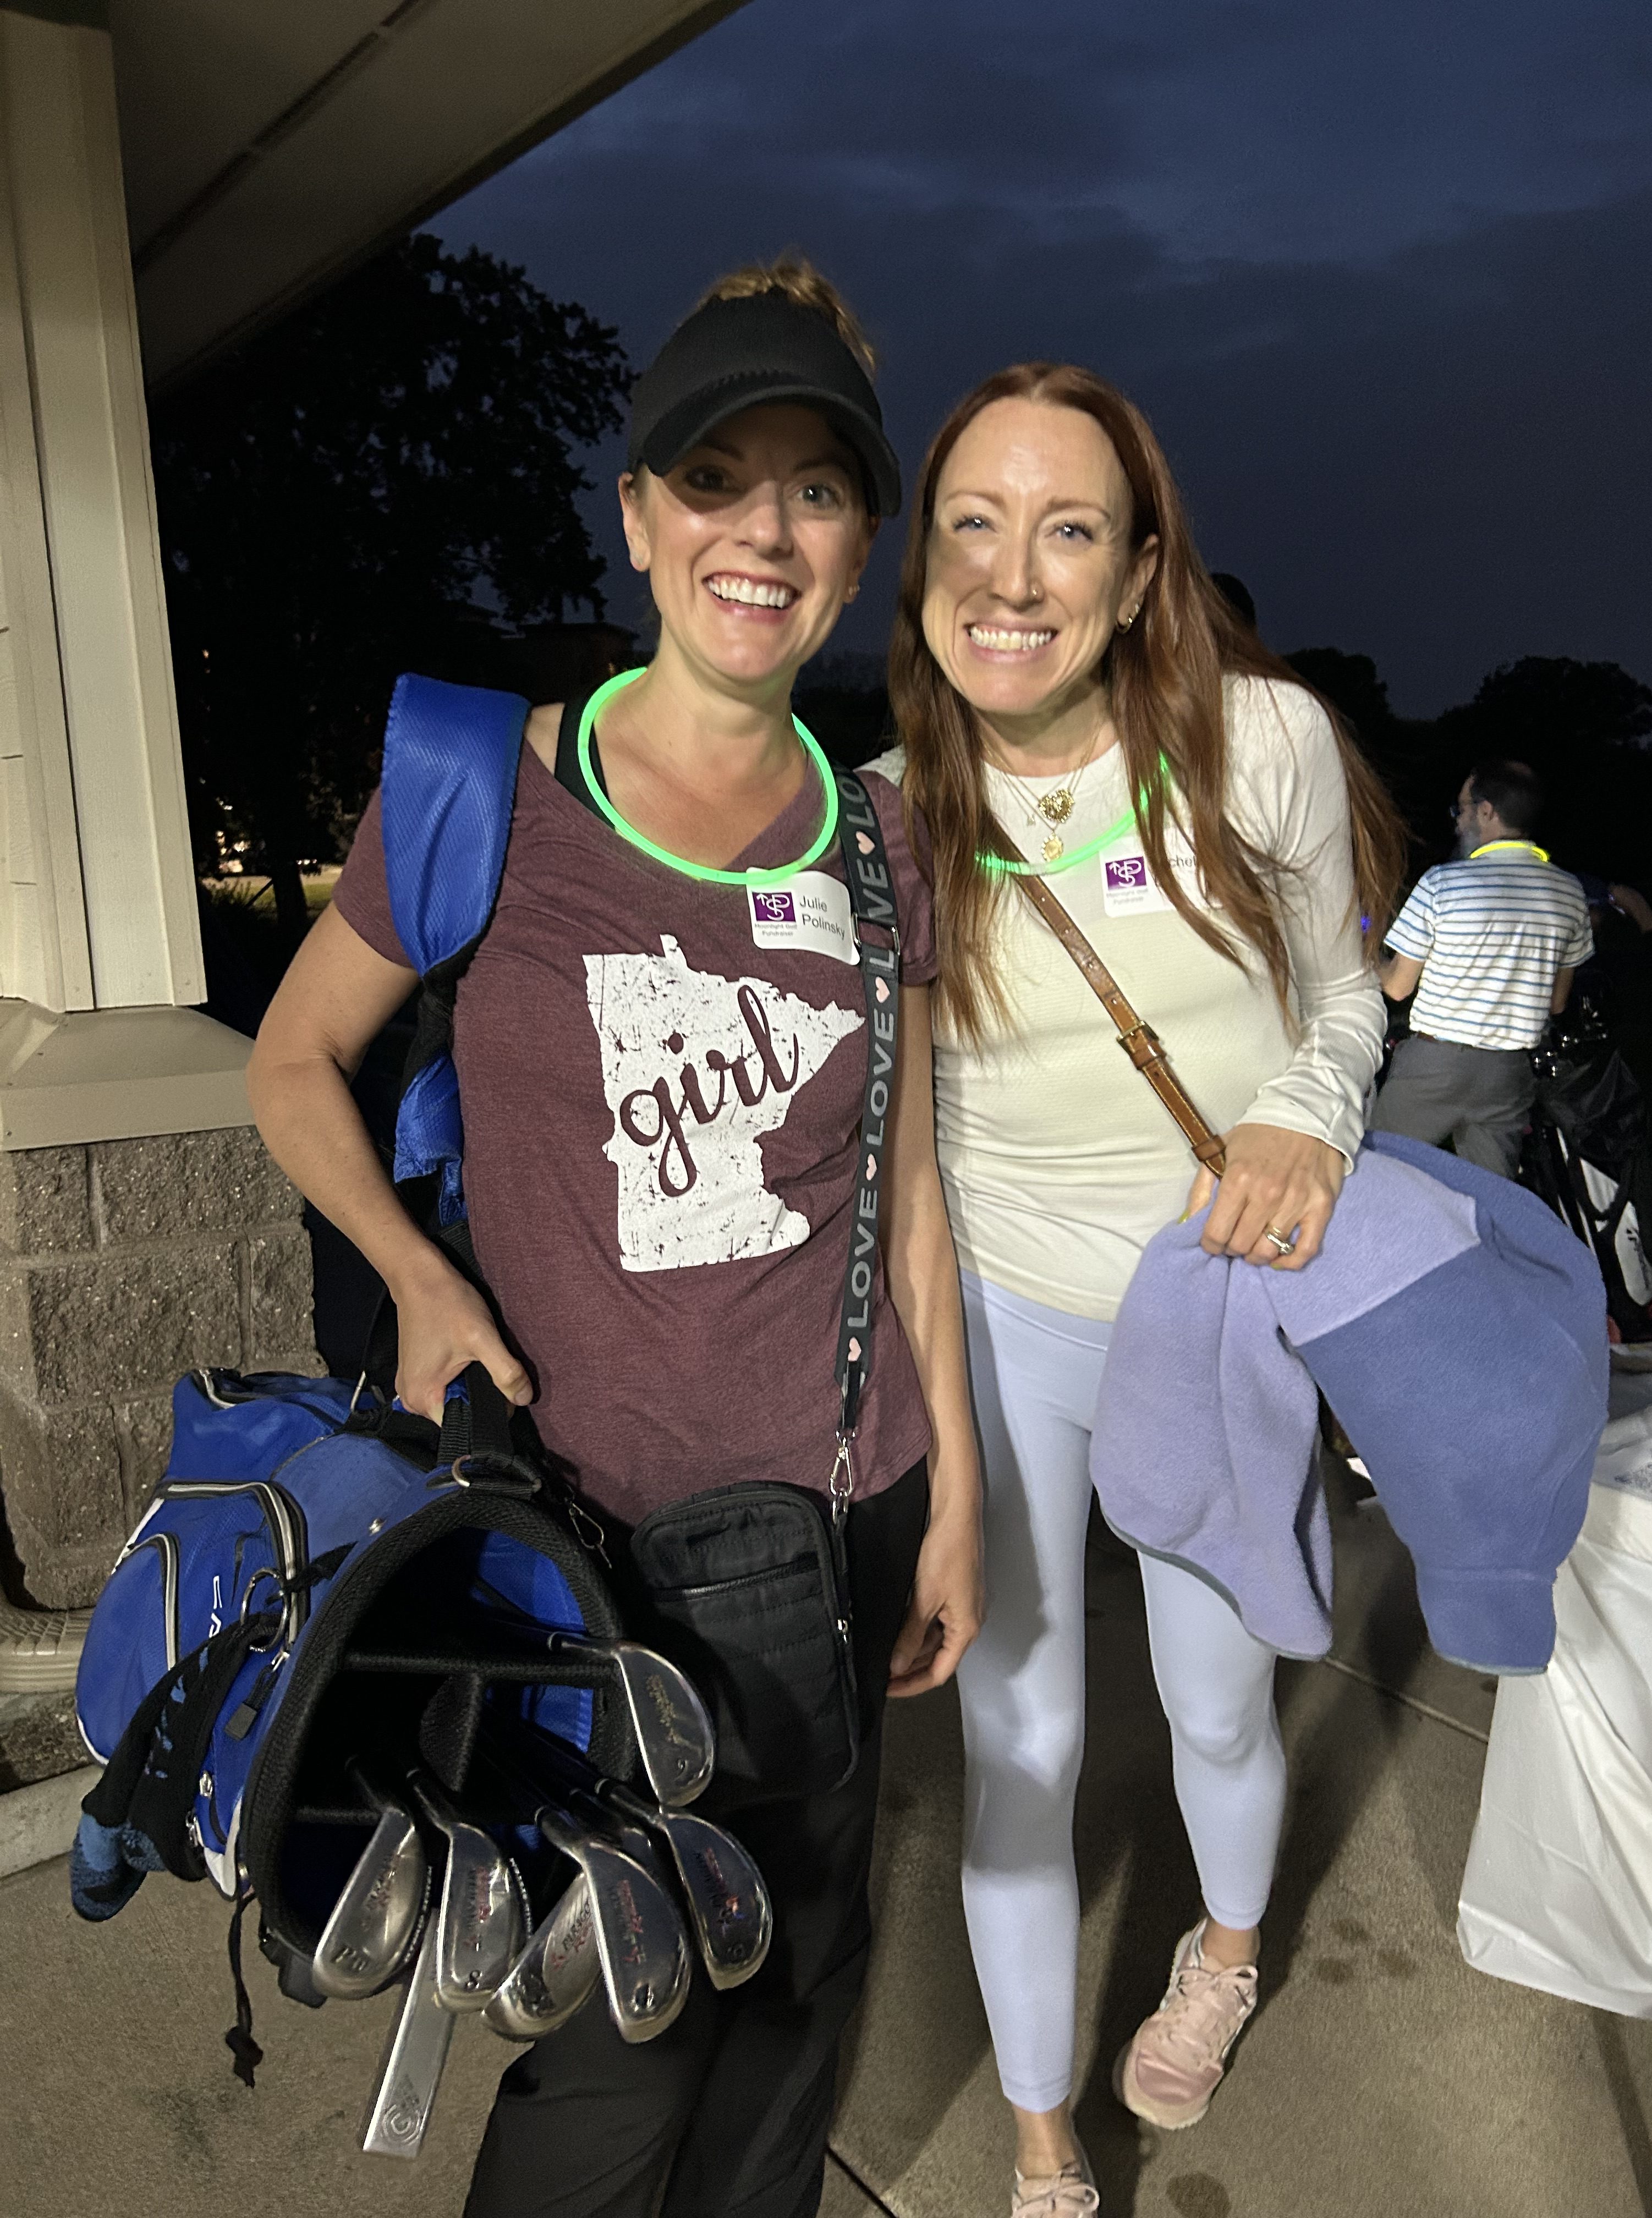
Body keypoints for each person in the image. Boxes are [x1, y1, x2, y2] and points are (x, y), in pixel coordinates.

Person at [246, 260, 984, 2218]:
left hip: (841, 1508)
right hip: (583, 1537)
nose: (764, 530)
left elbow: (899, 1191)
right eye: (715, 479)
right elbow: (295, 1062)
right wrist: (418, 1280)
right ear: (641, 515)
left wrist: (962, 1495)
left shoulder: (874, 838)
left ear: (855, 545)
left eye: (814, 489)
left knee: (800, 1961)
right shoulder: (495, 790)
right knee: (605, 2009)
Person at [871, 363, 1401, 2214]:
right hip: (1004, 1331)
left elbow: (1343, 990)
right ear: (922, 559)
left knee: (1216, 1702)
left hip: (1214, 1311)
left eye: (1068, 528)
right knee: (1014, 1738)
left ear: (1137, 564)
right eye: (975, 523)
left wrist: (1301, 1117)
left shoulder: (1256, 742)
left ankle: (1229, 1953)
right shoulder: (877, 812)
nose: (1015, 574)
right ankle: (1038, 2147)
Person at [1372, 760, 1594, 1178]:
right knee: (1492, 1193)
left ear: (1487, 811)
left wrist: (1367, 953)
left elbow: (1399, 988)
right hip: (1508, 1075)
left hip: (1433, 1066)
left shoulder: (1443, 883)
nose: (1458, 823)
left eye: (1463, 810)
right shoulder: (1570, 892)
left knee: (1383, 1174)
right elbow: (1556, 1002)